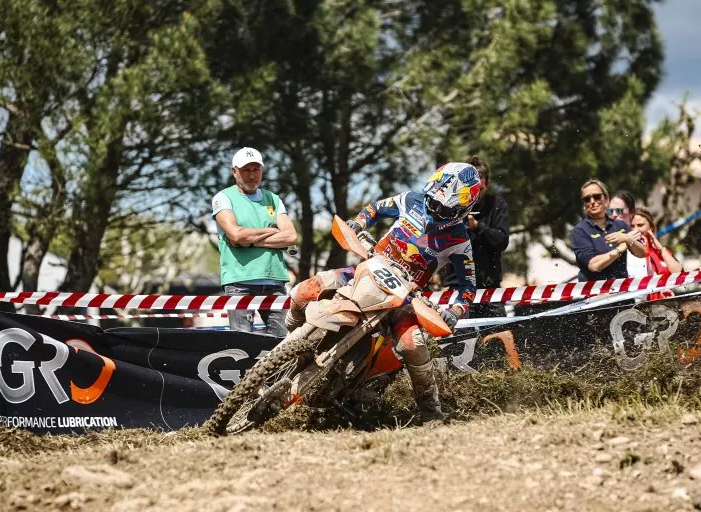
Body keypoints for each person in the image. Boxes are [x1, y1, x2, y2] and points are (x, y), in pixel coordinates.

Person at [285, 162, 481, 422]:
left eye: (444, 207)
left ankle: (431, 413)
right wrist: (358, 223)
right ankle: (290, 343)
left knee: (414, 344)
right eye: (433, 201)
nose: (434, 208)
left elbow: (467, 288)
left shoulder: (460, 241)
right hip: (367, 269)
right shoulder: (411, 199)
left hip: (404, 296)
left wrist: (455, 311)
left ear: (462, 208)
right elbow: (374, 209)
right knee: (303, 291)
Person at [212, 147, 298, 337]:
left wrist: (249, 240)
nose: (252, 176)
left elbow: (291, 237)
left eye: (256, 169)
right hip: (239, 281)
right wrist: (270, 231)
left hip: (275, 280)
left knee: (284, 342)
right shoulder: (223, 198)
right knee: (243, 343)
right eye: (246, 170)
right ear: (234, 171)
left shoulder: (273, 199)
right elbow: (235, 235)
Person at [570, 179, 646, 281]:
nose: (592, 202)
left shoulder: (620, 225)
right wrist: (621, 248)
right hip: (595, 294)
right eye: (587, 199)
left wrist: (627, 239)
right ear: (584, 205)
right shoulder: (579, 231)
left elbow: (642, 253)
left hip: (622, 291)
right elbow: (594, 265)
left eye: (597, 197)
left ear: (606, 199)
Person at [465, 155, 509, 318]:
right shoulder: (453, 206)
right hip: (460, 286)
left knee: (500, 336)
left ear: (488, 184)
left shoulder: (497, 204)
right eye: (472, 189)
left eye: (480, 189)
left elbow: (502, 240)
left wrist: (477, 227)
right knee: (461, 340)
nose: (475, 195)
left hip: (490, 285)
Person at [631, 208, 683, 300]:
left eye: (640, 225)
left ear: (651, 228)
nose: (635, 230)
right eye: (632, 226)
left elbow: (678, 273)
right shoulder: (626, 253)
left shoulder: (660, 252)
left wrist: (661, 249)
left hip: (663, 304)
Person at [609, 190, 646, 278]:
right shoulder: (602, 236)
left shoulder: (641, 239)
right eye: (610, 211)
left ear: (631, 212)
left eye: (619, 211)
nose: (614, 215)